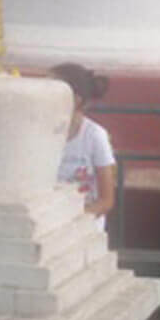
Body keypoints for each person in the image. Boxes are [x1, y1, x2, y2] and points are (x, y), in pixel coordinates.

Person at [50, 63, 117, 230]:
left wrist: (73, 220)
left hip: (83, 226)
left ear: (76, 99)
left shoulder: (95, 136)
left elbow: (106, 200)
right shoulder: (43, 133)